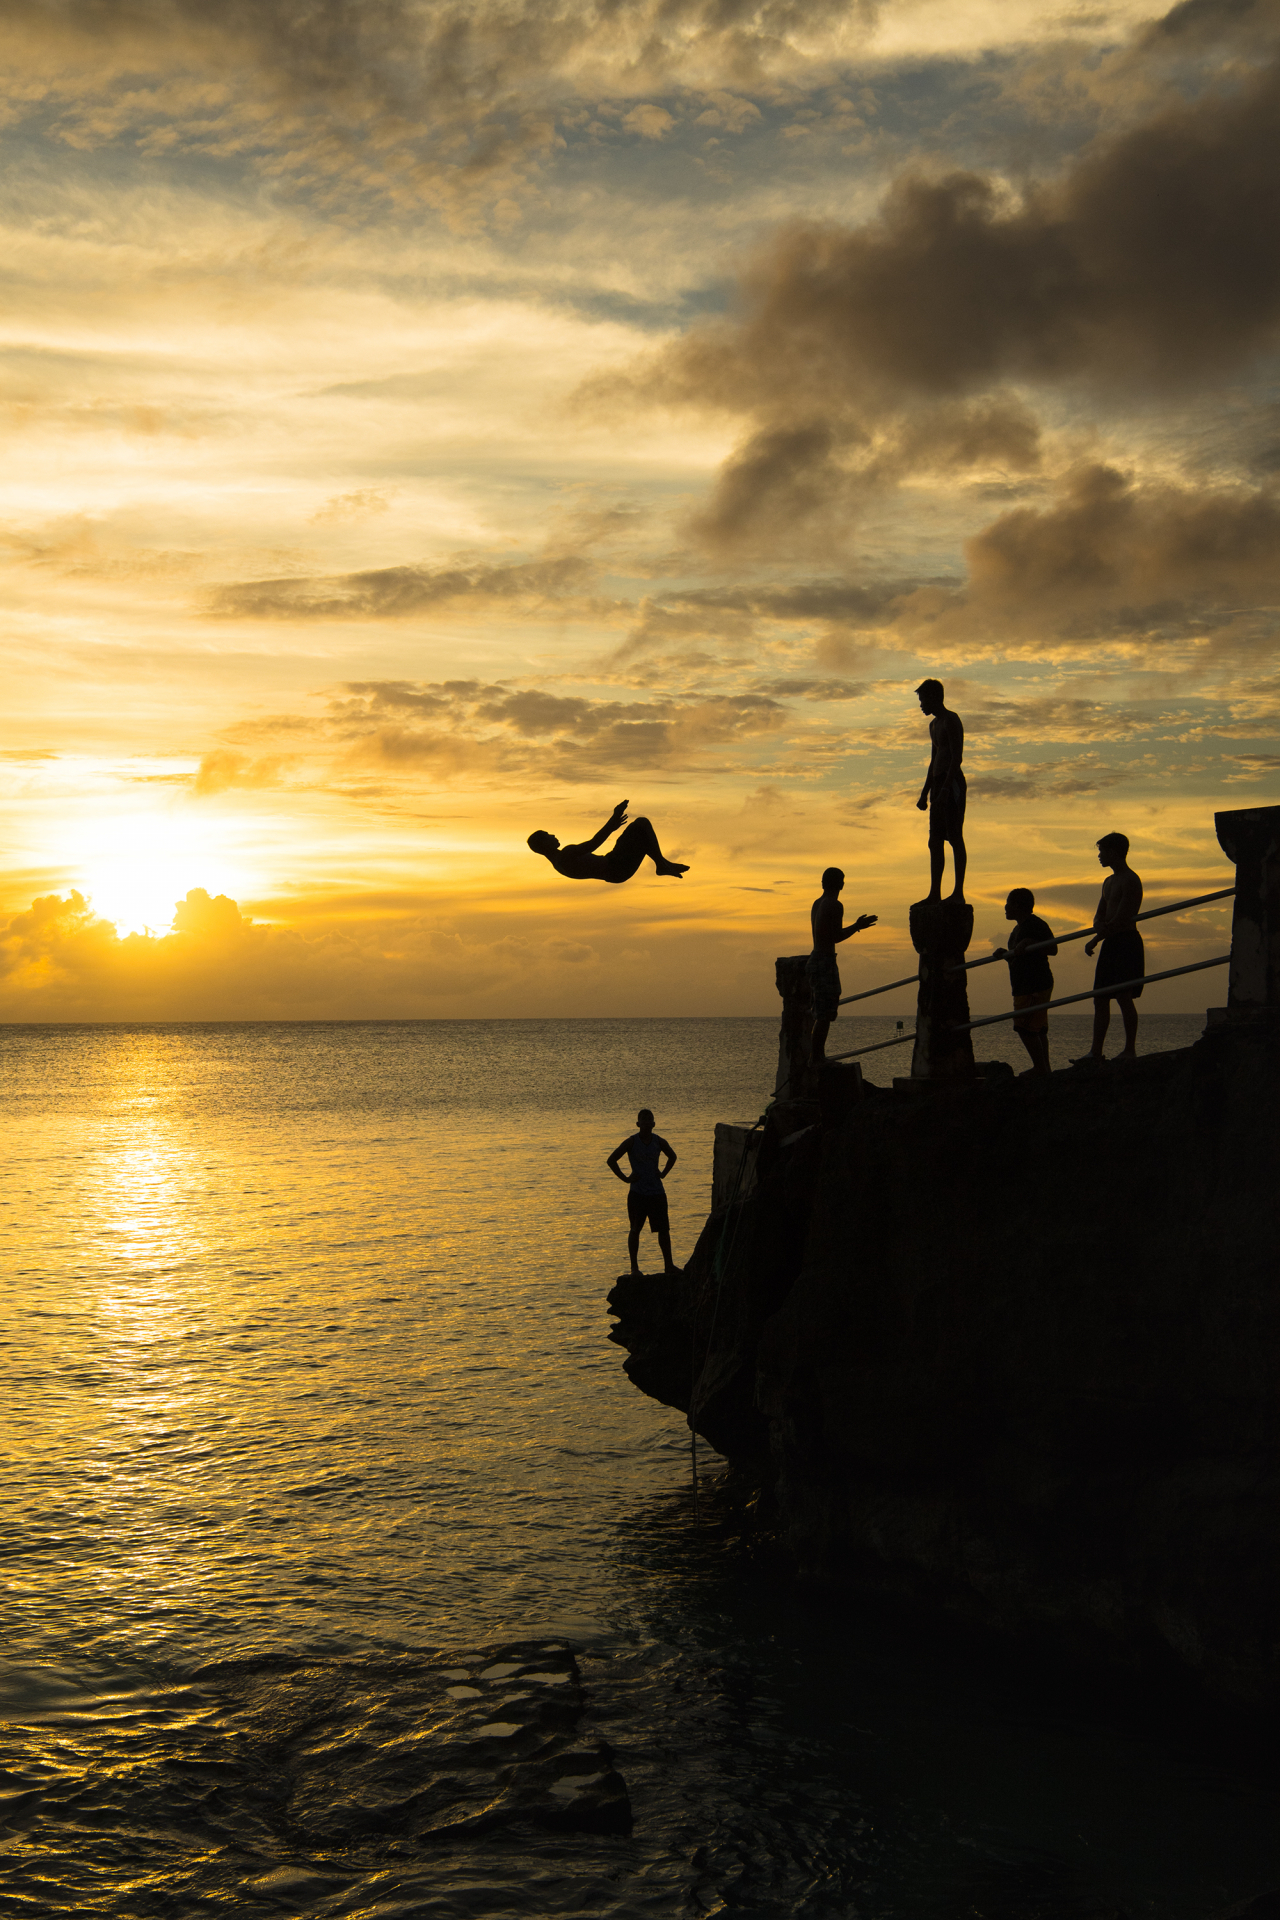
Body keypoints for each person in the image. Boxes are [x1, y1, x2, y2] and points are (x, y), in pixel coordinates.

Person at [1079, 833, 1144, 1063]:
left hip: (1126, 941)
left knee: (1124, 996)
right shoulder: (1108, 882)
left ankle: (1129, 1049)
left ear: (1113, 852)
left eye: (1102, 851)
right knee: (1100, 997)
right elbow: (1101, 914)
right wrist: (1098, 928)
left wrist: (1094, 940)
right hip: (1110, 941)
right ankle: (1095, 1051)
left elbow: (1122, 917)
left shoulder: (1131, 880)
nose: (1099, 856)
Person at [807, 867, 877, 1066]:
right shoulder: (835, 905)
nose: (844, 884)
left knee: (822, 1010)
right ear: (838, 884)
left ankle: (816, 1056)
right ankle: (817, 1057)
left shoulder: (817, 903)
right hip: (824, 961)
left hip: (816, 959)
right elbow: (835, 936)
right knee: (825, 1011)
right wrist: (857, 927)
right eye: (842, 880)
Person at [528, 801, 688, 882]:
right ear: (543, 844)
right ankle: (661, 865)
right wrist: (613, 821)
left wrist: (613, 824)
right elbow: (594, 843)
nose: (553, 835)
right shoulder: (565, 855)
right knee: (641, 823)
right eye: (547, 835)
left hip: (615, 870)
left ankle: (662, 864)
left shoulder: (558, 865)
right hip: (616, 866)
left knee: (641, 835)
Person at [991, 888, 1057, 1077]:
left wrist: (1029, 941)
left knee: (1024, 1026)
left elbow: (1053, 948)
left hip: (1035, 983)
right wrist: (1006, 954)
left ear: (1018, 906)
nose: (1005, 907)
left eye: (1008, 903)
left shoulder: (1035, 924)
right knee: (1037, 1027)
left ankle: (1041, 1067)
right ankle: (1044, 1067)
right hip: (1022, 984)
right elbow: (1019, 957)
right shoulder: (1016, 929)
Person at [607, 1109, 678, 1276]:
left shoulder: (659, 1141)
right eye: (643, 1120)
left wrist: (663, 1173)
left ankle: (669, 1266)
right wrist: (625, 1179)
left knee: (664, 1230)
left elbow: (672, 1156)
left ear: (654, 1124)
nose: (646, 1123)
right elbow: (611, 1160)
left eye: (649, 1120)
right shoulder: (631, 1142)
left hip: (657, 1193)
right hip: (637, 1194)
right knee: (635, 1229)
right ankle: (634, 1268)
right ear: (638, 1124)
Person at [915, 679, 967, 902]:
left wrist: (946, 788)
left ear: (934, 697)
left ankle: (958, 892)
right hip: (937, 785)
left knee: (954, 836)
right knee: (934, 840)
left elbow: (956, 756)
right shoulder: (933, 725)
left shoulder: (951, 720)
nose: (921, 705)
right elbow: (933, 759)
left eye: (923, 700)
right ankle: (934, 892)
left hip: (951, 782)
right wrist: (925, 792)